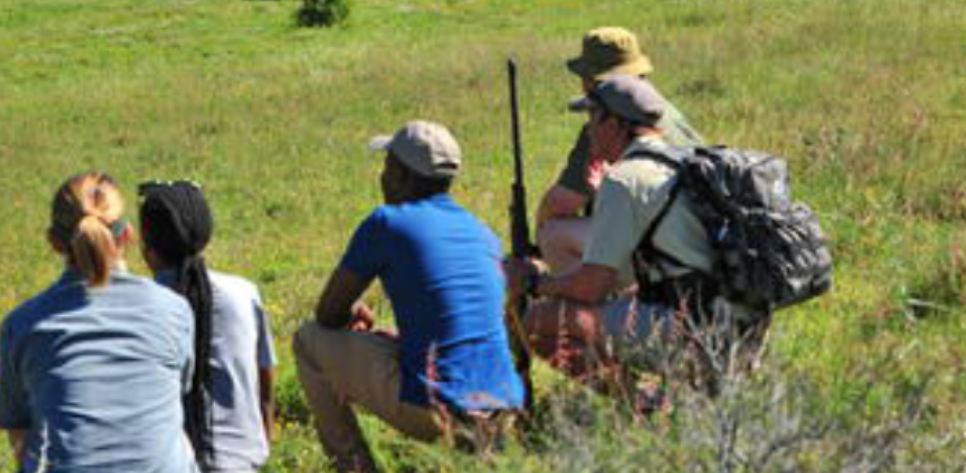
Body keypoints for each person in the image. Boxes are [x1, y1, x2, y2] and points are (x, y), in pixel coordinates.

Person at [295, 121, 525, 473]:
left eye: (387, 166)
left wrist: (353, 314)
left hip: (438, 408)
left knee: (309, 340)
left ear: (402, 175)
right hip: (504, 406)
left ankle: (353, 466)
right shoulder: (483, 234)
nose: (382, 177)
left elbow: (328, 315)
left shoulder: (387, 222)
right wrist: (403, 342)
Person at [511, 75, 751, 391]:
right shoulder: (680, 159)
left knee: (539, 322)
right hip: (741, 323)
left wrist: (531, 282)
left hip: (699, 329)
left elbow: (590, 288)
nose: (589, 128)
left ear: (615, 124)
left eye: (593, 116)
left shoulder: (624, 180)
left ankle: (640, 408)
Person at [0, 172, 199, 473]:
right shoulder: (173, 310)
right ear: (128, 234)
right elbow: (178, 389)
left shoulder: (21, 325)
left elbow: (20, 436)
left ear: (53, 243)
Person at [538, 27, 702, 273]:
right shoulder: (668, 113)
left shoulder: (607, 125)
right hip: (695, 239)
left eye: (585, 76)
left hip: (664, 246)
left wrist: (537, 240)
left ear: (595, 81)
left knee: (554, 235)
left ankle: (590, 308)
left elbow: (561, 203)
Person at [139, 180, 276, 473]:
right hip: (246, 460)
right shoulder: (244, 293)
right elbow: (264, 382)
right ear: (205, 235)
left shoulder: (137, 309)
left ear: (146, 245)